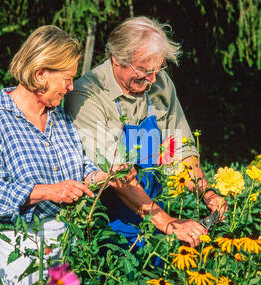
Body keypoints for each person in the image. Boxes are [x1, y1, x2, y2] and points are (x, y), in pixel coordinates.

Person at [0, 25, 134, 285]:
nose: (71, 87)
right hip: (22, 248)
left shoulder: (59, 117)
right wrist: (47, 191)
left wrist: (104, 176)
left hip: (66, 240)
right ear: (40, 73)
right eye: (67, 78)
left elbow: (78, 168)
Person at [65, 16, 228, 249]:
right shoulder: (88, 94)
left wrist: (206, 192)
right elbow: (116, 175)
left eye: (158, 68)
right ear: (116, 58)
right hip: (107, 227)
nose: (153, 79)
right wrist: (169, 223)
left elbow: (179, 149)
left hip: (157, 217)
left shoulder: (160, 83)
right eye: (143, 70)